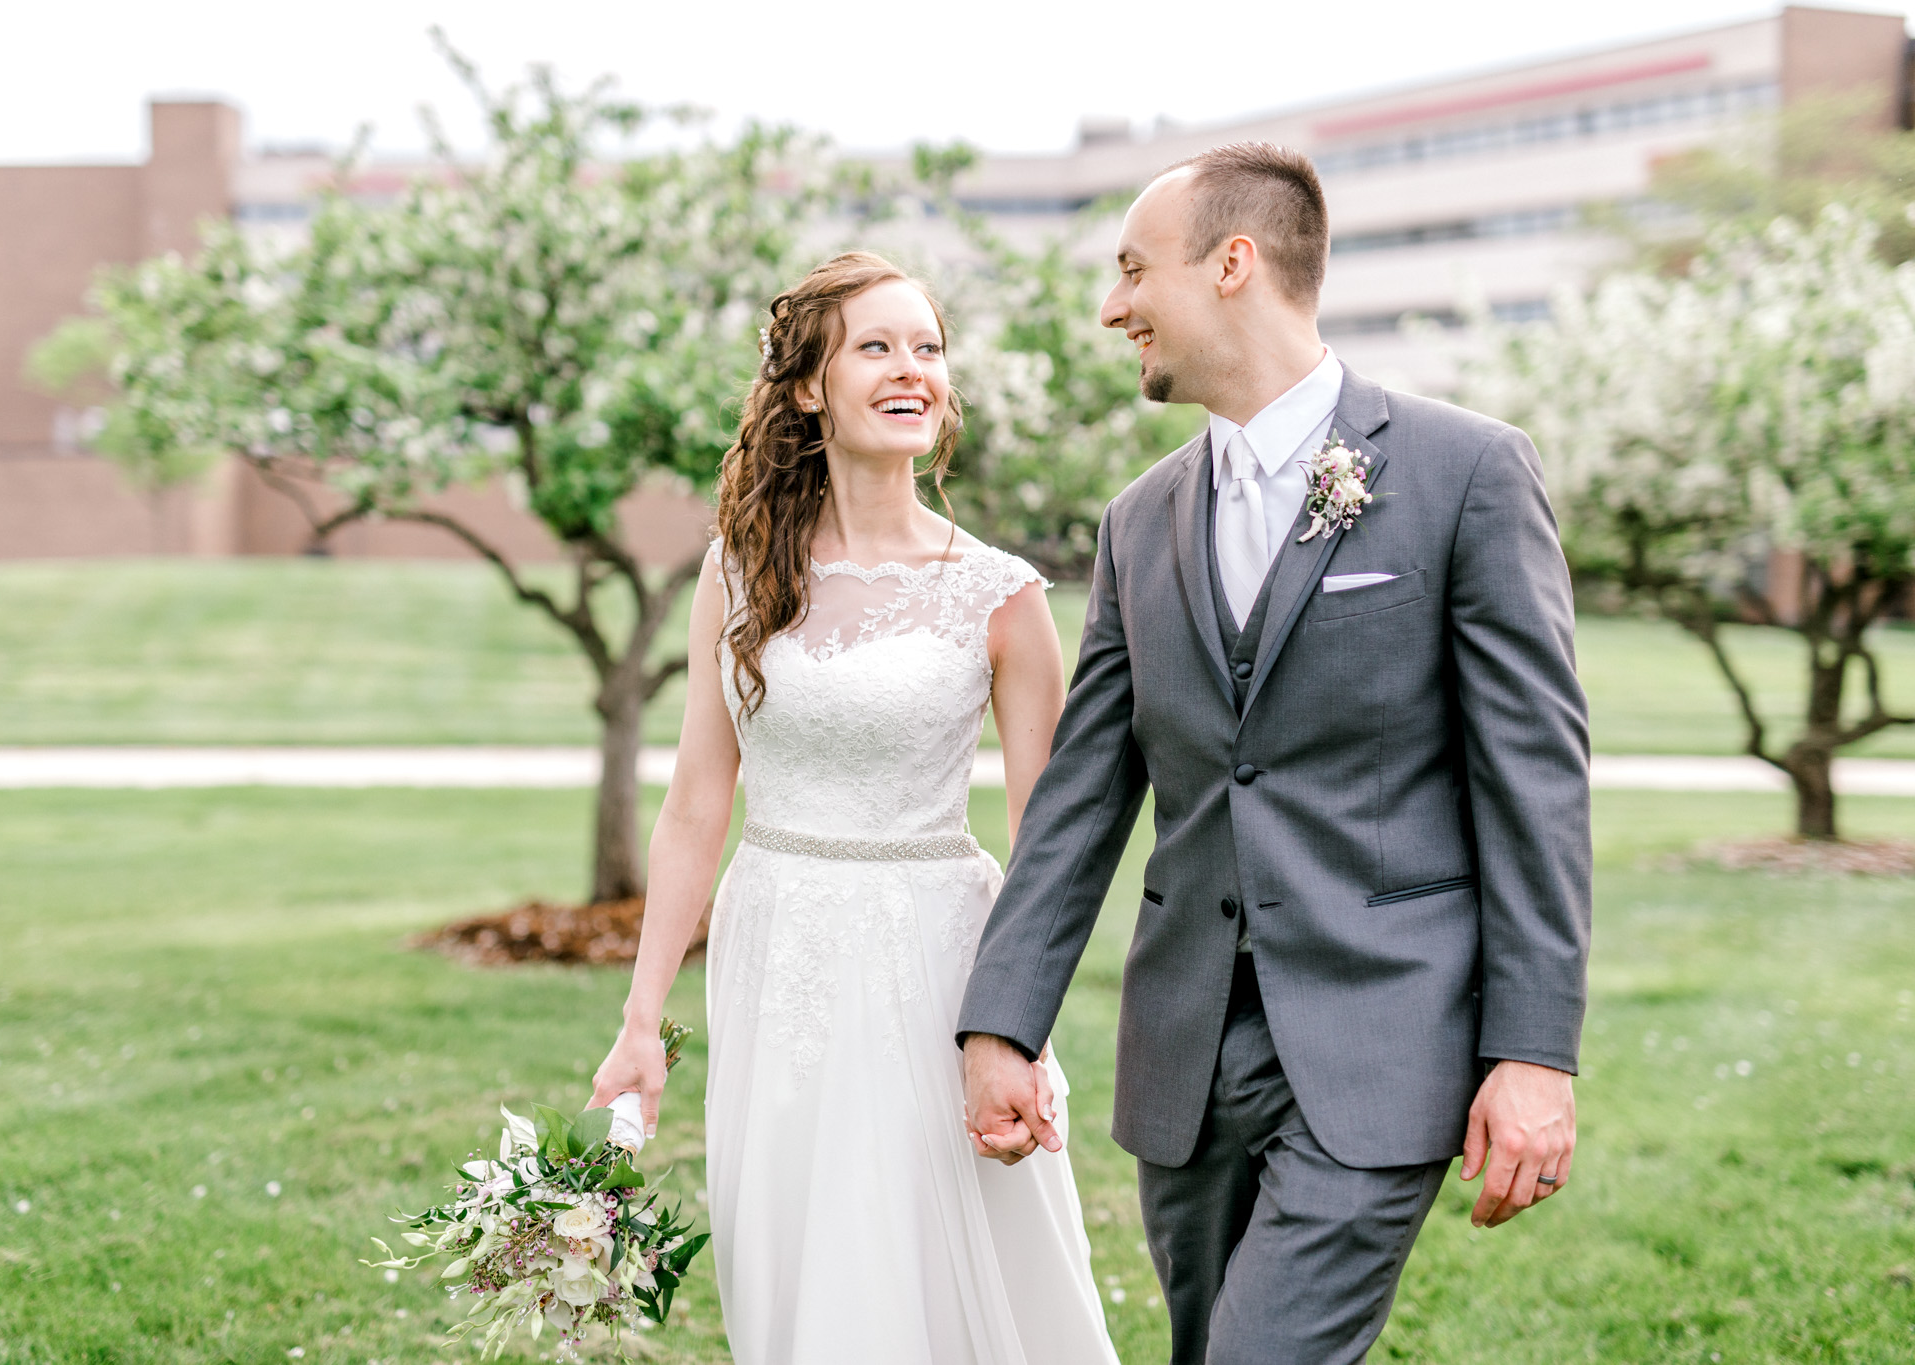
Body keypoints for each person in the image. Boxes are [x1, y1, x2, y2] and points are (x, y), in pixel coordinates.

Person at [958, 142, 1592, 1365]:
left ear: (1232, 264)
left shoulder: (1464, 474)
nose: (1112, 306)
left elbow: (1536, 788)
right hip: (1185, 1059)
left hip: (1381, 1039)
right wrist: (1002, 1020)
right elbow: (1084, 795)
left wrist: (1533, 1052)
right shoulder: (1138, 521)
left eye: (1134, 269)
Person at [589, 251, 1121, 1365]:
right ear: (805, 389)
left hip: (937, 961)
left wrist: (1015, 1031)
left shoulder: (1002, 595)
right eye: (875, 347)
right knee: (793, 1257)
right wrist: (641, 1021)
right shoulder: (735, 571)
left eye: (926, 348)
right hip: (774, 944)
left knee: (932, 1260)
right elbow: (695, 803)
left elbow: (1049, 847)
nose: (909, 370)